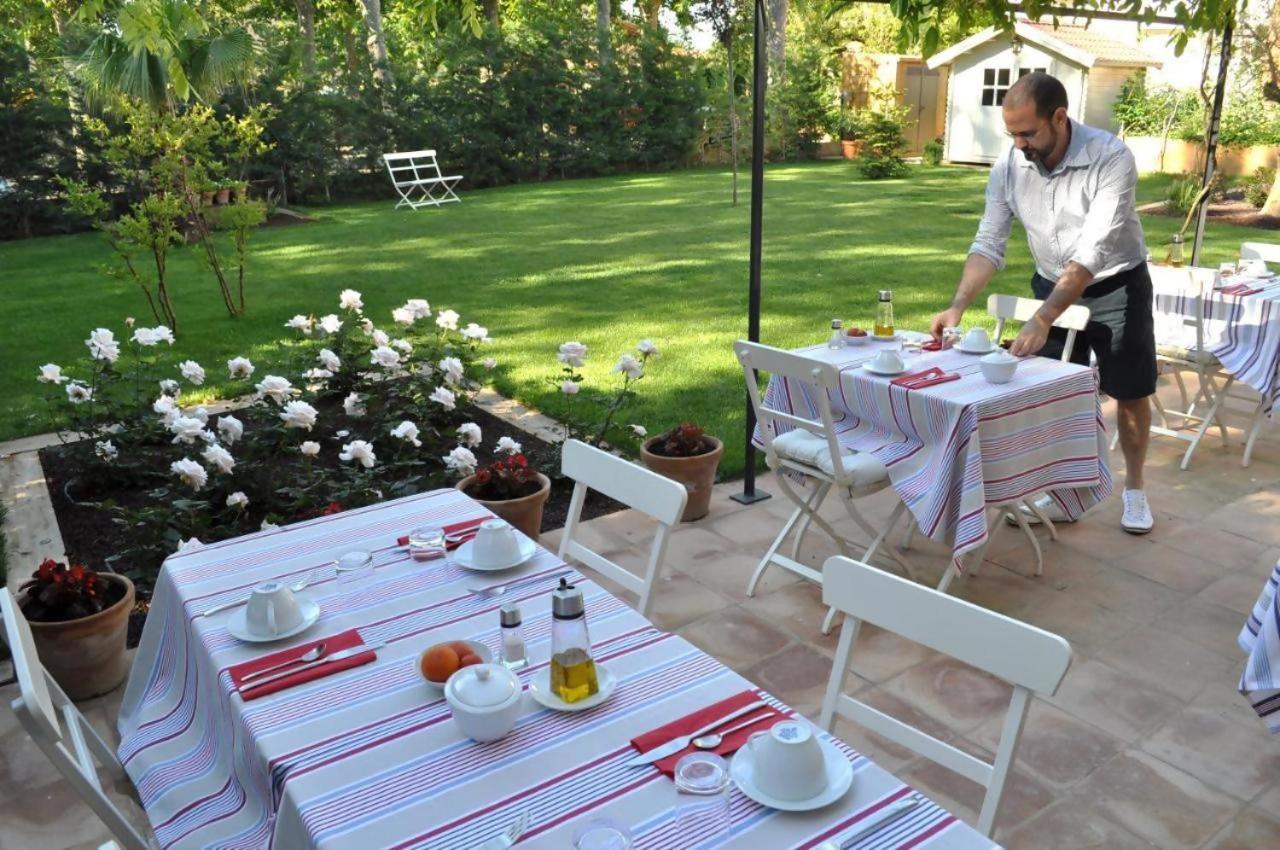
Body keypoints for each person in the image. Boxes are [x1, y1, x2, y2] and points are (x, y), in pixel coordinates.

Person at [929, 71, 1156, 534]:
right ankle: (1059, 491)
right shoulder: (1010, 166)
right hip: (1049, 282)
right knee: (1047, 396)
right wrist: (957, 306)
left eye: (1027, 133)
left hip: (1116, 285)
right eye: (1011, 133)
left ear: (1059, 117)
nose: (1018, 144)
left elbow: (1092, 254)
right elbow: (989, 241)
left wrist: (1042, 318)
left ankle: (1134, 489)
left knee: (1130, 392)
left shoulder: (1109, 157)